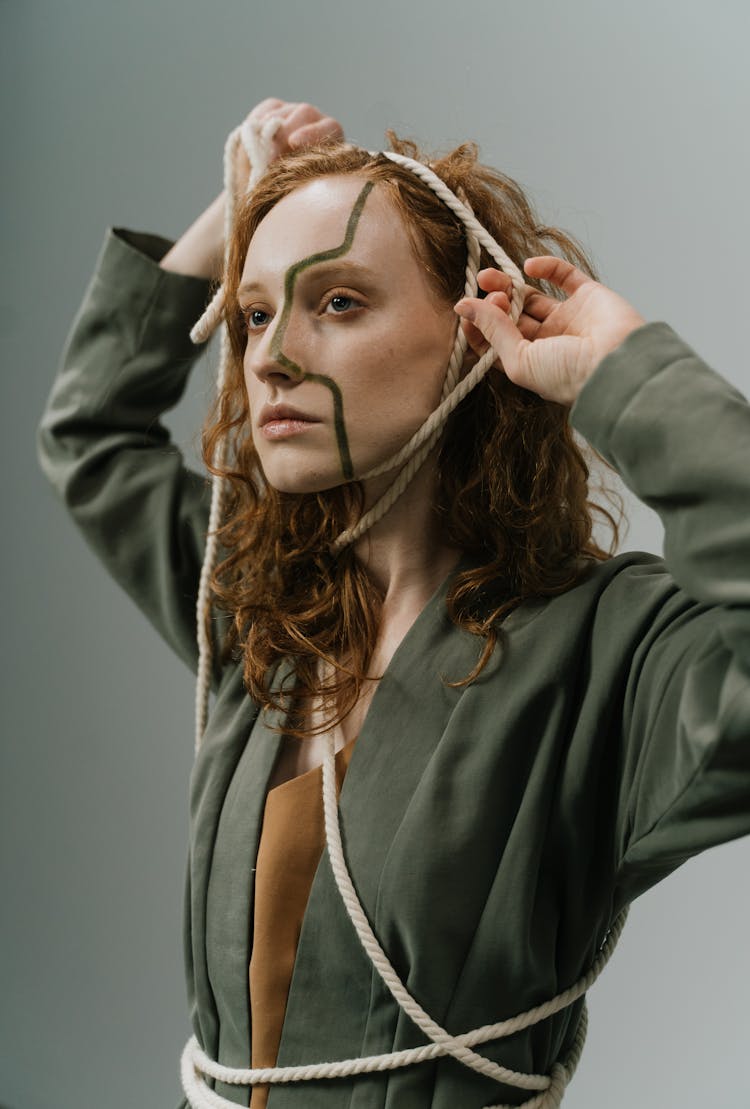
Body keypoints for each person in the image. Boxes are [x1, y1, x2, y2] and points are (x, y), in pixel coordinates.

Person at [38, 98, 750, 1109]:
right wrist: (234, 213)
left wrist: (620, 376)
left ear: (475, 331)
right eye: (252, 314)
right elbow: (89, 433)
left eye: (336, 302)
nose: (270, 355)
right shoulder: (261, 611)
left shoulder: (607, 649)